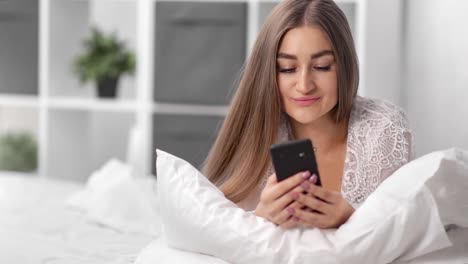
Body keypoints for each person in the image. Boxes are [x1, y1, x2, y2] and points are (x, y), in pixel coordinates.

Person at [203, 0, 413, 229]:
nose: (304, 85)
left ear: (345, 66)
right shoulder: (254, 128)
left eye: (322, 66)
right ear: (268, 72)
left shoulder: (383, 129)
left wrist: (353, 218)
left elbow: (406, 229)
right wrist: (259, 222)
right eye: (287, 69)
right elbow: (209, 231)